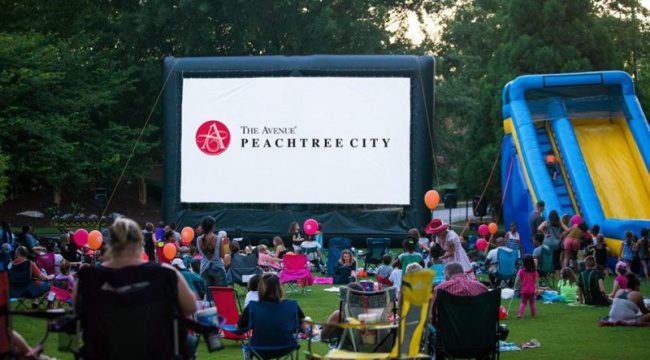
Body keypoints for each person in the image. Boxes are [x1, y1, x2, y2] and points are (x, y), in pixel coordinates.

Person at [73, 217, 197, 357]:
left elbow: (78, 313)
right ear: (140, 242)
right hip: (155, 351)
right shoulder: (166, 274)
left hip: (105, 352)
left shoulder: (87, 279)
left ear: (110, 244)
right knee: (189, 342)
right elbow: (191, 307)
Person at [236, 273, 305, 329]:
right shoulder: (292, 305)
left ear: (260, 289)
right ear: (279, 288)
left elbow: (239, 328)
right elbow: (303, 327)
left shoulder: (251, 307)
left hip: (259, 344)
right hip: (286, 344)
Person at [197, 216, 227, 288]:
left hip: (204, 268)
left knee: (209, 294)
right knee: (221, 292)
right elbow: (222, 255)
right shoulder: (218, 238)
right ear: (213, 226)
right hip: (218, 267)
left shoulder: (198, 239)